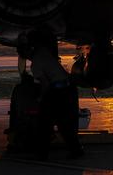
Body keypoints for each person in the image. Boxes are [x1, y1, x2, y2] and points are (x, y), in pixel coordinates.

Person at [28, 31, 83, 160]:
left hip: (59, 91)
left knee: (44, 123)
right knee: (64, 123)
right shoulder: (43, 52)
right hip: (68, 89)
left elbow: (45, 84)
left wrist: (40, 98)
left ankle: (42, 153)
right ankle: (76, 149)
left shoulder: (35, 63)